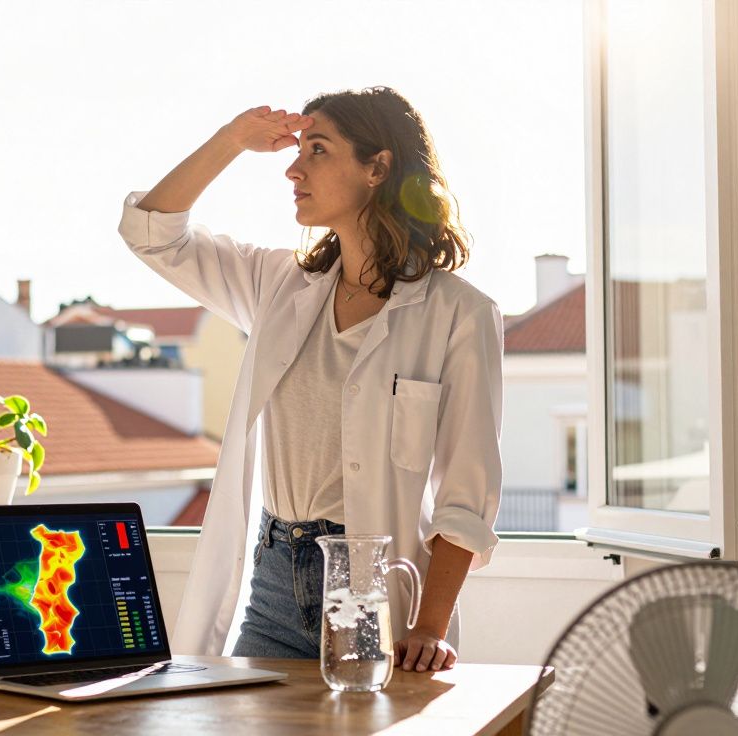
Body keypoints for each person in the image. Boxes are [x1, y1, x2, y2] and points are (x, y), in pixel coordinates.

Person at [118, 87, 502, 674]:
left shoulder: (459, 313)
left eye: (317, 150)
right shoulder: (278, 285)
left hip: (374, 586)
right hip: (274, 578)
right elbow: (150, 230)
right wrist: (231, 140)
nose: (293, 168)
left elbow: (465, 495)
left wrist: (429, 627)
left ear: (378, 167)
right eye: (297, 149)